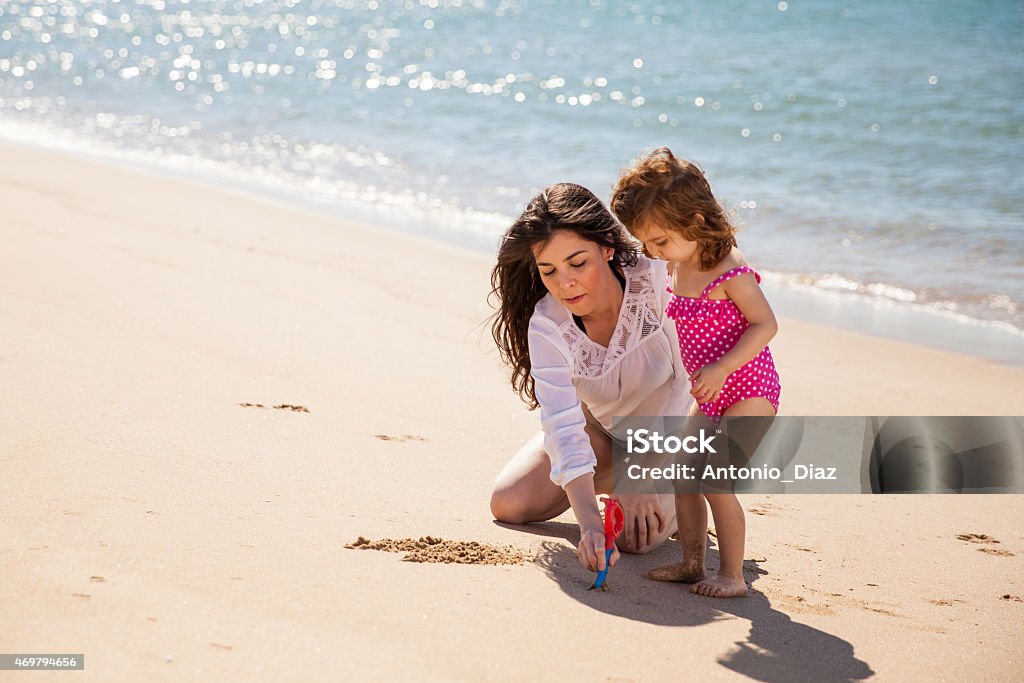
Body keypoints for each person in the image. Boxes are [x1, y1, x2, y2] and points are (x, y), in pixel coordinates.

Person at [488, 182, 694, 577]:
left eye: (577, 263)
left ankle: (692, 498)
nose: (565, 283)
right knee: (508, 502)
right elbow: (564, 425)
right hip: (603, 430)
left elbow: (687, 388)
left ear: (607, 247)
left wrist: (640, 475)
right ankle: (615, 493)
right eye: (549, 271)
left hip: (679, 433)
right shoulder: (548, 325)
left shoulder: (660, 282)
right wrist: (588, 526)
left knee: (636, 539)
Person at [610, 147, 782, 597]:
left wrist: (724, 368)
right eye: (646, 242)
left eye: (660, 242)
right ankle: (691, 563)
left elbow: (767, 325)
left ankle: (732, 576)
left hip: (749, 389)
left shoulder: (730, 270)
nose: (652, 251)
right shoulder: (677, 262)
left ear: (698, 223)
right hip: (709, 393)